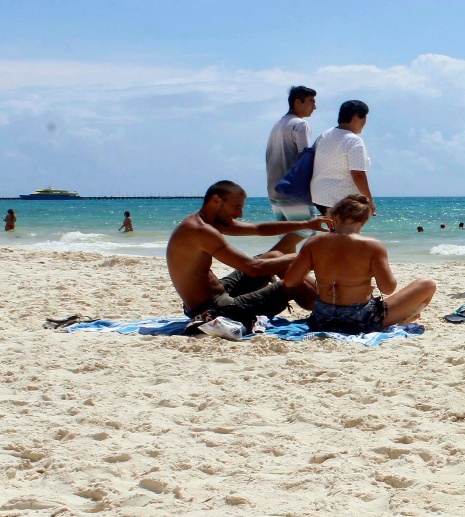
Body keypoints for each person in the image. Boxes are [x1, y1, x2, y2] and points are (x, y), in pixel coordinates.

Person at [166, 181, 330, 328]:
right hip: (215, 309)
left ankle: (324, 298)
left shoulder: (205, 221)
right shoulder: (201, 231)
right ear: (216, 200)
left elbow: (259, 229)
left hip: (216, 294)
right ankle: (328, 305)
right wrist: (307, 254)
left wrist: (307, 224)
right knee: (291, 283)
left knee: (274, 256)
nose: (240, 214)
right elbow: (253, 268)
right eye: (236, 206)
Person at [285, 194, 436, 335]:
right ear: (363, 221)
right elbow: (388, 288)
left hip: (321, 320)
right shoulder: (372, 246)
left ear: (335, 217)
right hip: (362, 322)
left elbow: (291, 281)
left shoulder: (313, 243)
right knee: (427, 284)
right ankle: (402, 319)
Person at [266, 85, 318, 250]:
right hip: (292, 189)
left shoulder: (278, 124)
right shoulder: (301, 125)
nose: (314, 107)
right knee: (309, 229)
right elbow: (304, 158)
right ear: (298, 102)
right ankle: (263, 261)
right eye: (311, 102)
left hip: (273, 188)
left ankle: (287, 272)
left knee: (287, 234)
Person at [310, 100, 373, 218]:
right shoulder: (353, 140)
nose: (365, 122)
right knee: (347, 233)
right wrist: (369, 201)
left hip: (319, 196)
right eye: (364, 118)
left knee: (337, 232)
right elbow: (358, 174)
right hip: (341, 199)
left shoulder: (324, 135)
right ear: (356, 117)